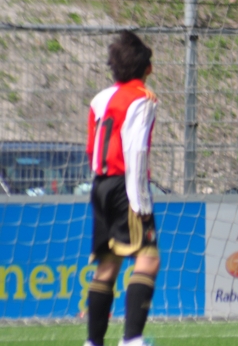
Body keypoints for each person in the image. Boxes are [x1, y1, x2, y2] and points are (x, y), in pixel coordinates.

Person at [84, 30, 159, 346]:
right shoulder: (143, 97)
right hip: (124, 185)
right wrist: (139, 200)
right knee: (149, 257)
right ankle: (132, 339)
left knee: (108, 264)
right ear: (147, 67)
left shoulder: (99, 98)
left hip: (99, 184)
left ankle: (93, 342)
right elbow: (136, 150)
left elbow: (91, 149)